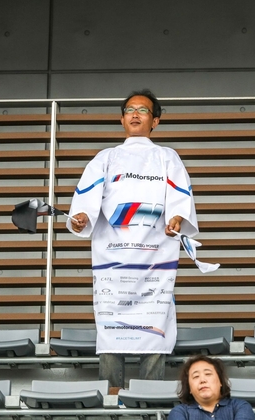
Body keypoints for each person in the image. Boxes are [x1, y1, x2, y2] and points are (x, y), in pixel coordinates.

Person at [67, 89, 199, 393]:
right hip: (113, 263)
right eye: (130, 109)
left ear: (156, 121)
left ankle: (150, 401)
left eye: (143, 110)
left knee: (154, 325)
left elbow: (180, 198)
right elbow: (85, 203)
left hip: (155, 260)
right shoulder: (105, 158)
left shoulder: (167, 157)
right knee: (111, 330)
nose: (135, 114)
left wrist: (177, 219)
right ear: (122, 118)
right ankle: (111, 406)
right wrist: (82, 217)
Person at [168, 355, 255, 420]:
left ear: (220, 381)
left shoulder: (240, 407)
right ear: (189, 388)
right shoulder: (179, 412)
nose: (202, 380)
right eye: (196, 376)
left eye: (208, 374)